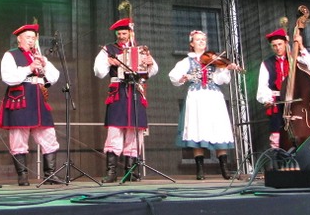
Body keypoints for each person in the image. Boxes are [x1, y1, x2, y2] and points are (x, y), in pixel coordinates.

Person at [0, 24, 62, 186]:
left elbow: (54, 77)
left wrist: (44, 64)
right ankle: (23, 177)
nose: (31, 40)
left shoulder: (38, 56)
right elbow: (8, 78)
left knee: (49, 136)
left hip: (38, 99)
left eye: (33, 38)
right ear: (19, 39)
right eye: (28, 37)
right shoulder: (11, 55)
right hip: (21, 98)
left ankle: (50, 174)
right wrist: (29, 68)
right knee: (18, 138)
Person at [94, 18, 158, 183]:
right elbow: (98, 72)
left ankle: (131, 172)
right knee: (114, 131)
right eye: (119, 34)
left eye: (124, 33)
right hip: (118, 92)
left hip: (135, 91)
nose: (122, 36)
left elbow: (153, 71)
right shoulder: (108, 49)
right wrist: (109, 62)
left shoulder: (140, 49)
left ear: (130, 33)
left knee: (135, 132)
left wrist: (150, 63)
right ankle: (111, 172)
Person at [168, 30, 236, 180]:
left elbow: (220, 80)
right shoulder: (187, 61)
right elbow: (174, 76)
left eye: (203, 40)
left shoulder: (214, 59)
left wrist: (225, 68)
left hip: (213, 96)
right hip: (196, 97)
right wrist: (183, 78)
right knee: (197, 129)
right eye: (197, 39)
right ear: (191, 43)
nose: (201, 42)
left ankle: (224, 168)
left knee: (218, 128)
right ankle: (200, 170)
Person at [256, 28, 310, 149]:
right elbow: (262, 85)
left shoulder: (296, 58)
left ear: (285, 43)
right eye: (274, 46)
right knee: (276, 134)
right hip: (277, 101)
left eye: (280, 44)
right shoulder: (266, 63)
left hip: (296, 101)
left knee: (301, 130)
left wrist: (301, 46)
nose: (277, 48)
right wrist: (266, 99)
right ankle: (279, 156)